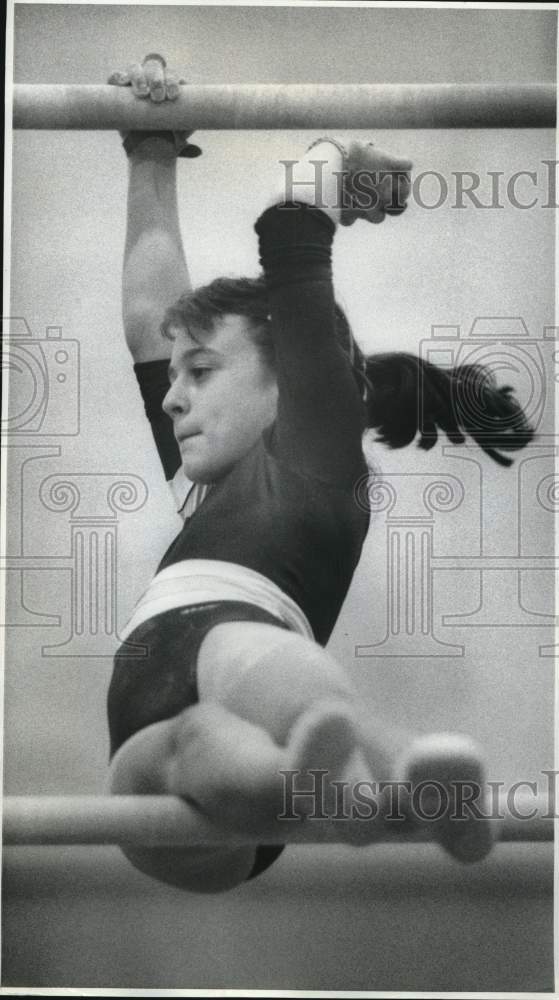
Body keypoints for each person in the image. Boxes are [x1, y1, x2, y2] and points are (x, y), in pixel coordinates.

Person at [105, 55, 533, 894]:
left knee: (232, 652)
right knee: (196, 739)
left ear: (288, 385)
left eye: (200, 372)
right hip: (193, 782)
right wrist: (149, 150)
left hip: (226, 695)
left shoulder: (313, 456)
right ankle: (342, 793)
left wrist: (335, 178)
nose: (170, 399)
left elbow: (289, 232)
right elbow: (144, 316)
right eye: (175, 377)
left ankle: (371, 763)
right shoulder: (201, 488)